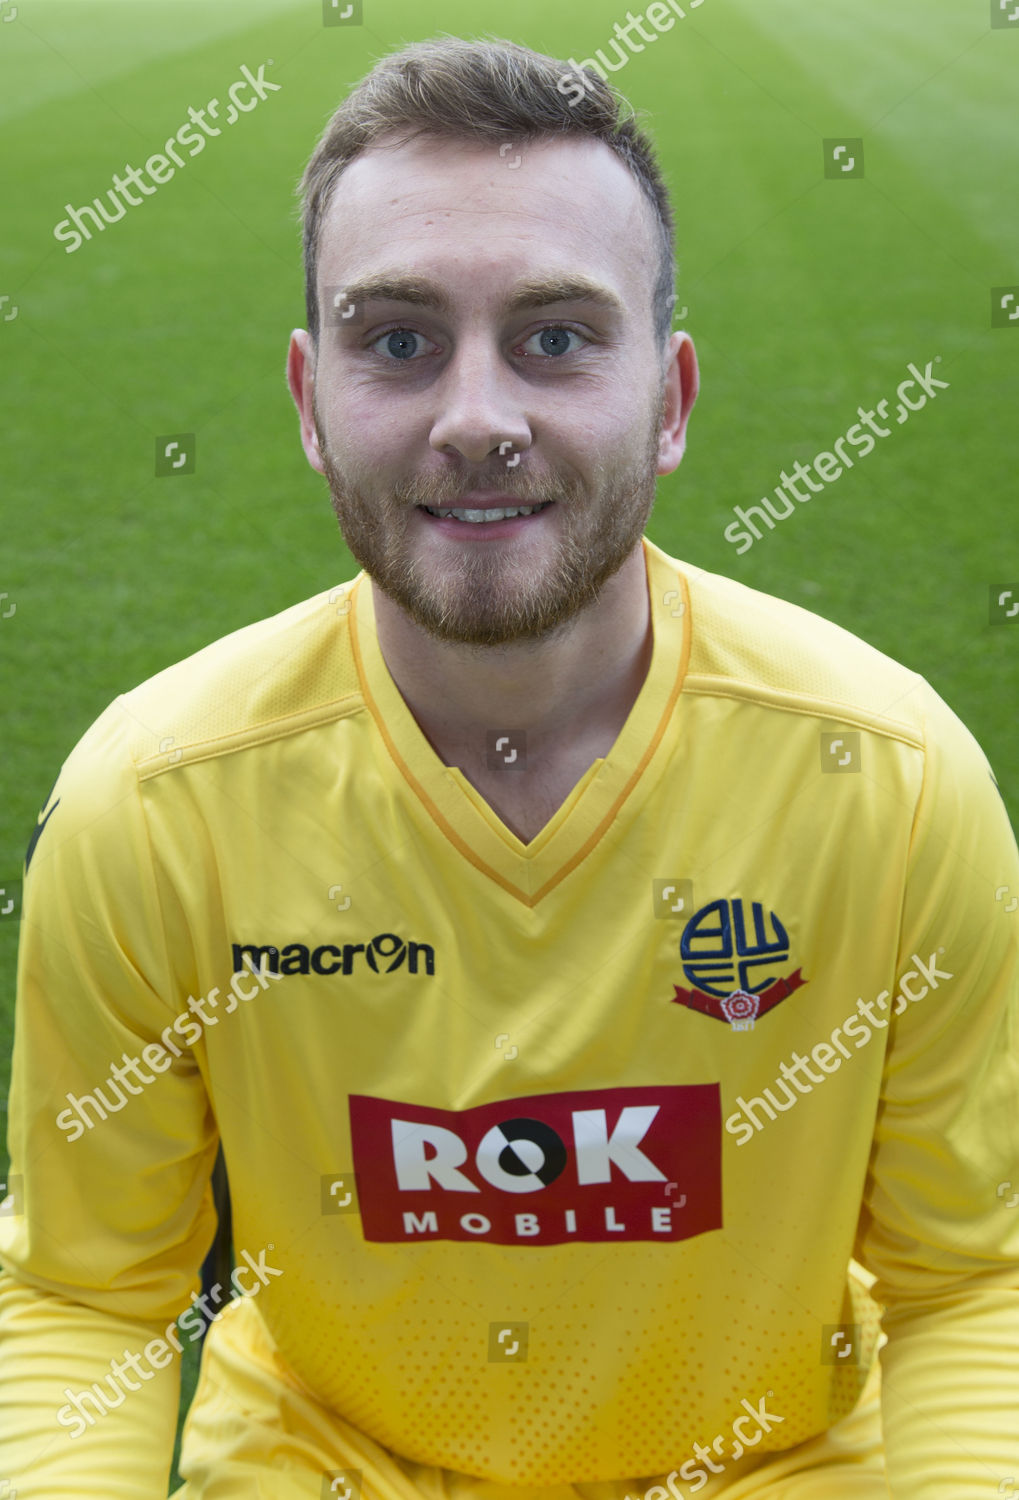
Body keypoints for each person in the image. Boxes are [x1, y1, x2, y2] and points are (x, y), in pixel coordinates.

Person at [1, 33, 1017, 1500]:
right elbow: (85, 1294)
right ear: (307, 399)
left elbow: (968, 1284)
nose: (478, 419)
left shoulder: (895, 780)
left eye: (554, 336)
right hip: (332, 1460)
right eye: (399, 339)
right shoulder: (154, 804)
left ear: (669, 400)